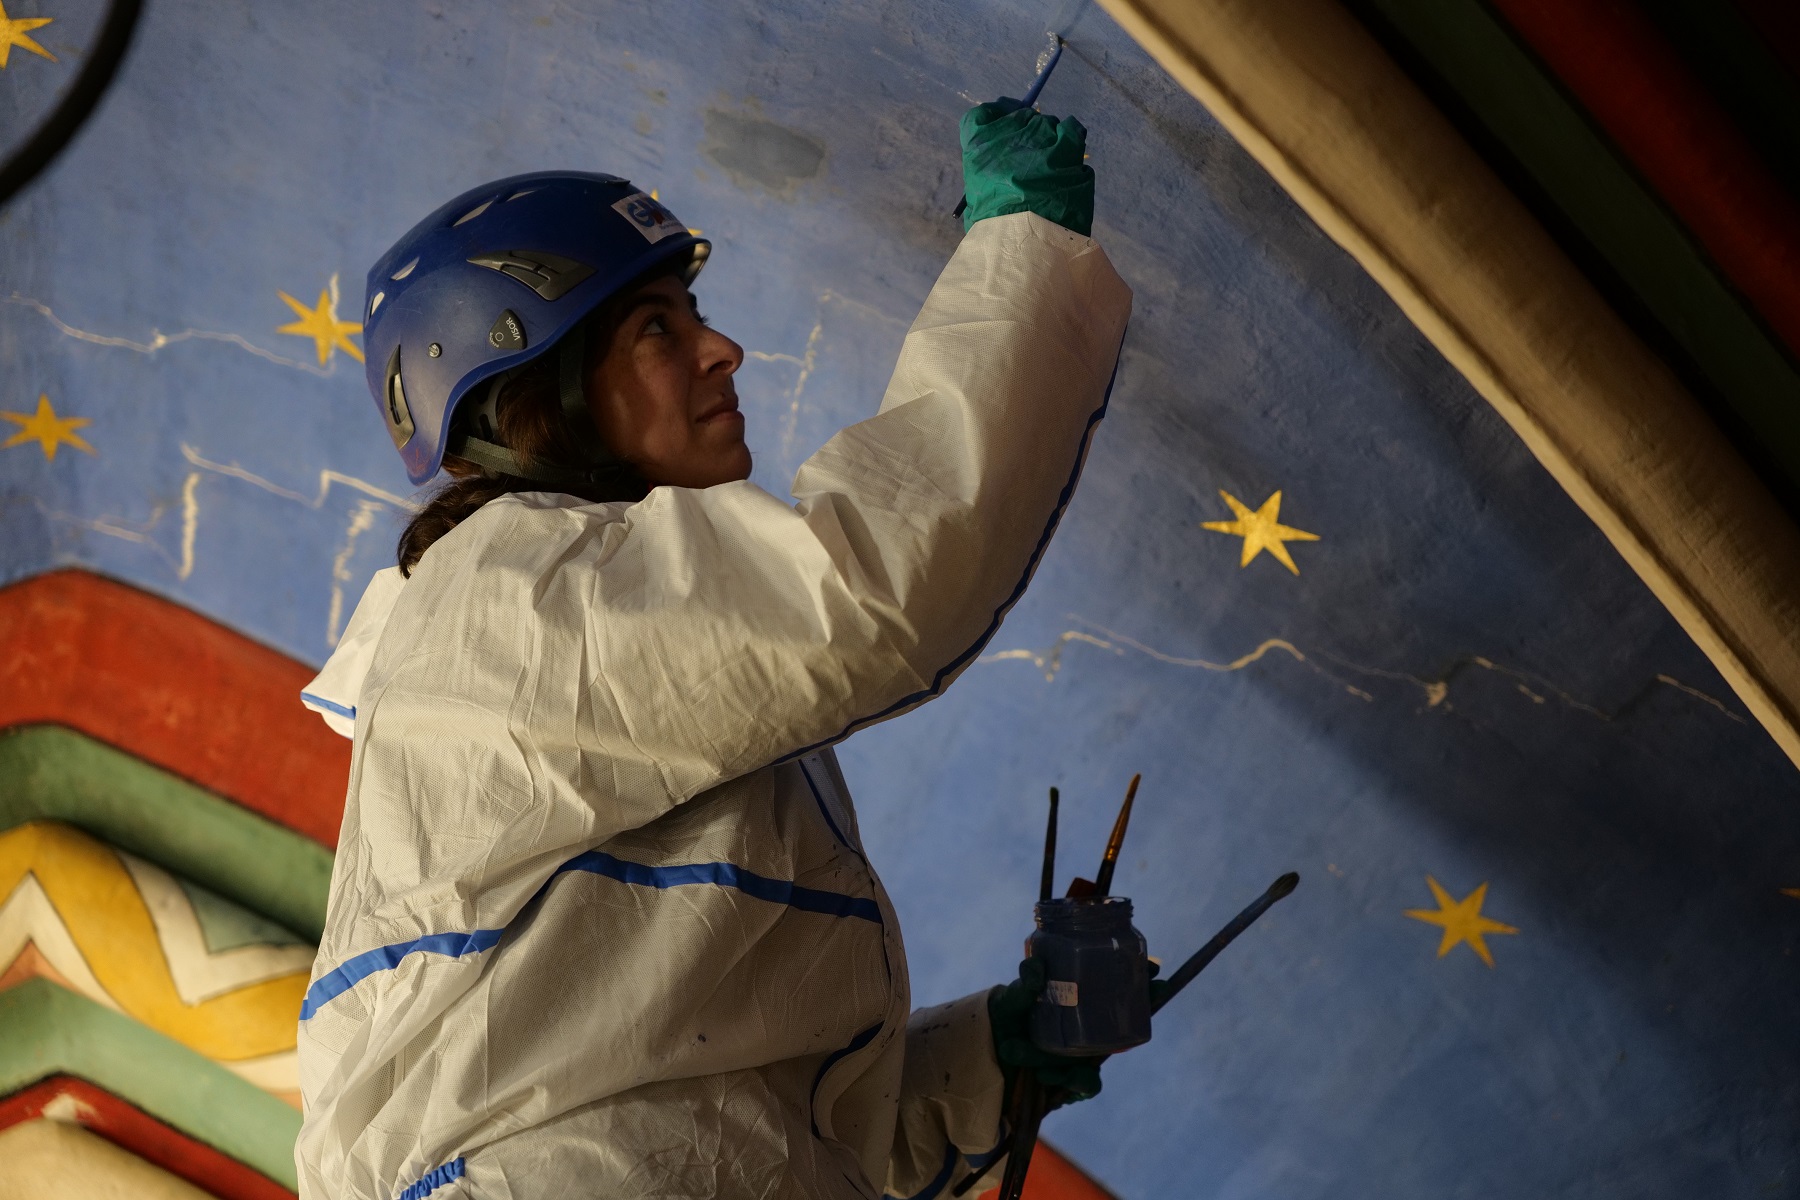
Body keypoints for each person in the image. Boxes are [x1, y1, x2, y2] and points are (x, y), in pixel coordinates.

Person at [295, 97, 1132, 1200]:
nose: (722, 350)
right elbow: (881, 584)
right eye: (659, 328)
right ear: (544, 395)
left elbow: (765, 1139)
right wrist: (1021, 254)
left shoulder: (626, 664)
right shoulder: (515, 598)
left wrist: (995, 1062)